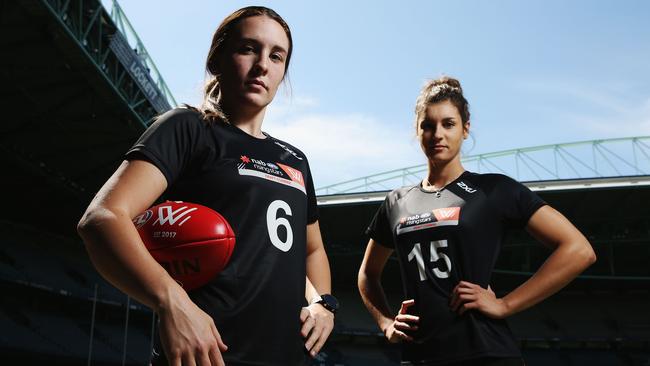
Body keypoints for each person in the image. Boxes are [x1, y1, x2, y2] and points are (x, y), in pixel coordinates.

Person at [77, 6, 337, 366]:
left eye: (277, 56)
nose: (263, 64)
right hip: (207, 355)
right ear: (217, 59)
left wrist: (323, 303)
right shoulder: (188, 128)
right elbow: (103, 217)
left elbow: (311, 251)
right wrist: (171, 300)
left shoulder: (295, 160)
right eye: (249, 48)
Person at [357, 76, 596, 366]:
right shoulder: (397, 202)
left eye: (448, 124)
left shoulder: (495, 190)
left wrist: (505, 304)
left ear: (465, 129)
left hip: (486, 353)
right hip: (419, 356)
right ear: (417, 130)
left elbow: (578, 250)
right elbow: (368, 275)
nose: (437, 134)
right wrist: (386, 323)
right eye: (428, 125)